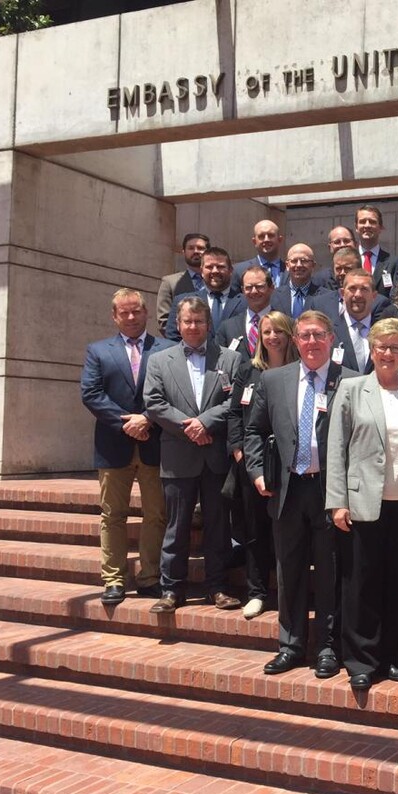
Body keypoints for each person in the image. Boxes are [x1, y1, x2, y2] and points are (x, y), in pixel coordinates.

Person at [243, 310, 354, 678]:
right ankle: (290, 646)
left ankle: (326, 647)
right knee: (288, 571)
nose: (311, 342)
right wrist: (257, 471)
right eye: (304, 336)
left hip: (330, 492)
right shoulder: (273, 380)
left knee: (329, 571)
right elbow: (253, 431)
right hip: (287, 490)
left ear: (331, 339)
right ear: (295, 341)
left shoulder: (351, 382)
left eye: (318, 335)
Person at [327, 318, 398, 690]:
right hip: (362, 503)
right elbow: (336, 449)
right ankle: (361, 661)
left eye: (395, 347)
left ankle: (395, 656)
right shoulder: (352, 389)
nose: (388, 353)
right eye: (382, 347)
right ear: (371, 350)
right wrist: (337, 501)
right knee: (361, 584)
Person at [144, 296, 242, 613]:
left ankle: (217, 587)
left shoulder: (230, 359)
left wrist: (205, 423)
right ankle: (171, 590)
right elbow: (154, 403)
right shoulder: (160, 360)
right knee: (176, 526)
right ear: (178, 324)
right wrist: (189, 427)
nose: (193, 326)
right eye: (187, 321)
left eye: (199, 321)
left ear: (208, 324)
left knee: (218, 526)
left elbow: (237, 402)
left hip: (214, 455)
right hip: (178, 456)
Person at [81, 288, 173, 604]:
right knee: (112, 515)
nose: (131, 317)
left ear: (146, 312)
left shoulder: (166, 349)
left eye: (136, 311)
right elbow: (91, 394)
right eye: (125, 312)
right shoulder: (98, 350)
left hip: (154, 442)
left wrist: (147, 418)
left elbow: (172, 392)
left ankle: (149, 577)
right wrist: (128, 424)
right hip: (113, 445)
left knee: (156, 514)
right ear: (114, 316)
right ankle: (114, 579)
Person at [227, 310, 298, 619]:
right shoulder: (248, 372)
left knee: (289, 531)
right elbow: (233, 414)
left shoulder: (301, 370)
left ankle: (288, 592)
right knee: (256, 529)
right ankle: (257, 592)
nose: (273, 337)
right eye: (267, 331)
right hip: (254, 465)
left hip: (292, 465)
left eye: (279, 331)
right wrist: (239, 452)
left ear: (288, 335)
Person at [320, 269, 398, 374]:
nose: (358, 294)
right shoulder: (328, 332)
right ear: (342, 294)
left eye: (364, 289)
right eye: (352, 288)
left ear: (374, 296)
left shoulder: (385, 332)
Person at [166, 247, 244, 342]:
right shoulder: (182, 300)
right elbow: (173, 338)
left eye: (220, 266)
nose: (215, 271)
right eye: (209, 267)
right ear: (201, 271)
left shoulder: (245, 302)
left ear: (231, 270)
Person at [215, 266, 274, 364]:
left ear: (271, 288)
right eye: (249, 287)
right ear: (242, 290)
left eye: (259, 286)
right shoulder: (227, 327)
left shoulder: (286, 325)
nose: (254, 291)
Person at [156, 233, 209, 335]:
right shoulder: (170, 282)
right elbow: (164, 321)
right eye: (191, 248)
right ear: (183, 252)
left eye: (200, 248)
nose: (196, 251)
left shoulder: (217, 281)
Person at [270, 243, 325, 318]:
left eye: (304, 260)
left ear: (313, 265)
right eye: (294, 261)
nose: (299, 265)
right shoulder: (274, 296)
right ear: (287, 265)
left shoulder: (325, 297)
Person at [354, 204, 393, 295]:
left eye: (372, 222)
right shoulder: (349, 261)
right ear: (356, 227)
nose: (367, 225)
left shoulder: (392, 262)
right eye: (363, 221)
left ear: (380, 227)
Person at [233, 220, 286, 286]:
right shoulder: (239, 270)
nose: (266, 239)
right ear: (254, 241)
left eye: (271, 235)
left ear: (279, 240)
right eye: (261, 236)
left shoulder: (291, 270)